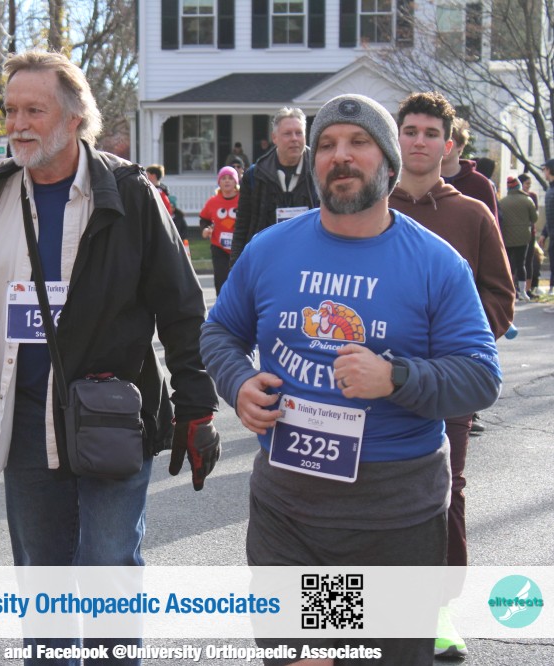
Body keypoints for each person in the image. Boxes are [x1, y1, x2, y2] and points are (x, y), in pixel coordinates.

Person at [0, 49, 219, 665]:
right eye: (11, 110)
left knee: (109, 567)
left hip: (108, 418)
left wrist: (197, 406)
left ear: (75, 117)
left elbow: (181, 307)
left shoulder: (131, 193)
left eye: (34, 110)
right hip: (25, 422)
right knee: (42, 576)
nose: (18, 124)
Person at [200, 93, 501, 666]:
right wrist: (237, 382)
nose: (341, 155)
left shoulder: (436, 263)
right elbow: (220, 332)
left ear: (388, 161)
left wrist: (396, 377)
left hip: (394, 516)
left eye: (359, 142)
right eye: (328, 145)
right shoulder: (269, 250)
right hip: (289, 510)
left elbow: (481, 376)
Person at [390, 91, 515, 659]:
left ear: (447, 145)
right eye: (410, 131)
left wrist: (454, 349)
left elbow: (500, 298)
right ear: (396, 138)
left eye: (430, 133)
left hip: (446, 385)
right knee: (348, 494)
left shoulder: (472, 214)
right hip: (365, 383)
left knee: (444, 491)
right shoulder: (368, 208)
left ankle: (436, 608)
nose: (419, 141)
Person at [230, 107, 318, 266]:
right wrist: (235, 269)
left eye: (299, 133)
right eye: (287, 133)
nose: (294, 139)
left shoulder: (321, 171)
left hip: (310, 262)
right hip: (267, 261)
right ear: (274, 138)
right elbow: (242, 227)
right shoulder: (254, 176)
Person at [440, 117, 499, 220]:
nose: (443, 144)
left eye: (448, 139)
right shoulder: (424, 180)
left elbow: (491, 224)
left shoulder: (480, 184)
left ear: (461, 145)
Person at [198, 166, 240, 295]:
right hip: (219, 247)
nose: (227, 181)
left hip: (238, 246)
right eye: (223, 178)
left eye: (230, 178)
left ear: (236, 182)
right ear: (219, 182)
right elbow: (204, 219)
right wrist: (205, 229)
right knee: (221, 279)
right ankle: (221, 303)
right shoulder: (213, 201)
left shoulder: (242, 200)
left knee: (238, 279)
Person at [499, 175, 539, 302]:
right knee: (521, 263)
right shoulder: (527, 200)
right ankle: (523, 292)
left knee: (509, 264)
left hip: (507, 237)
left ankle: (510, 290)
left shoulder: (502, 202)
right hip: (523, 237)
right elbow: (534, 218)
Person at [542, 158, 554, 295]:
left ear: (549, 170)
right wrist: (544, 233)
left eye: (544, 169)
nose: (543, 172)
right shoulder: (550, 189)